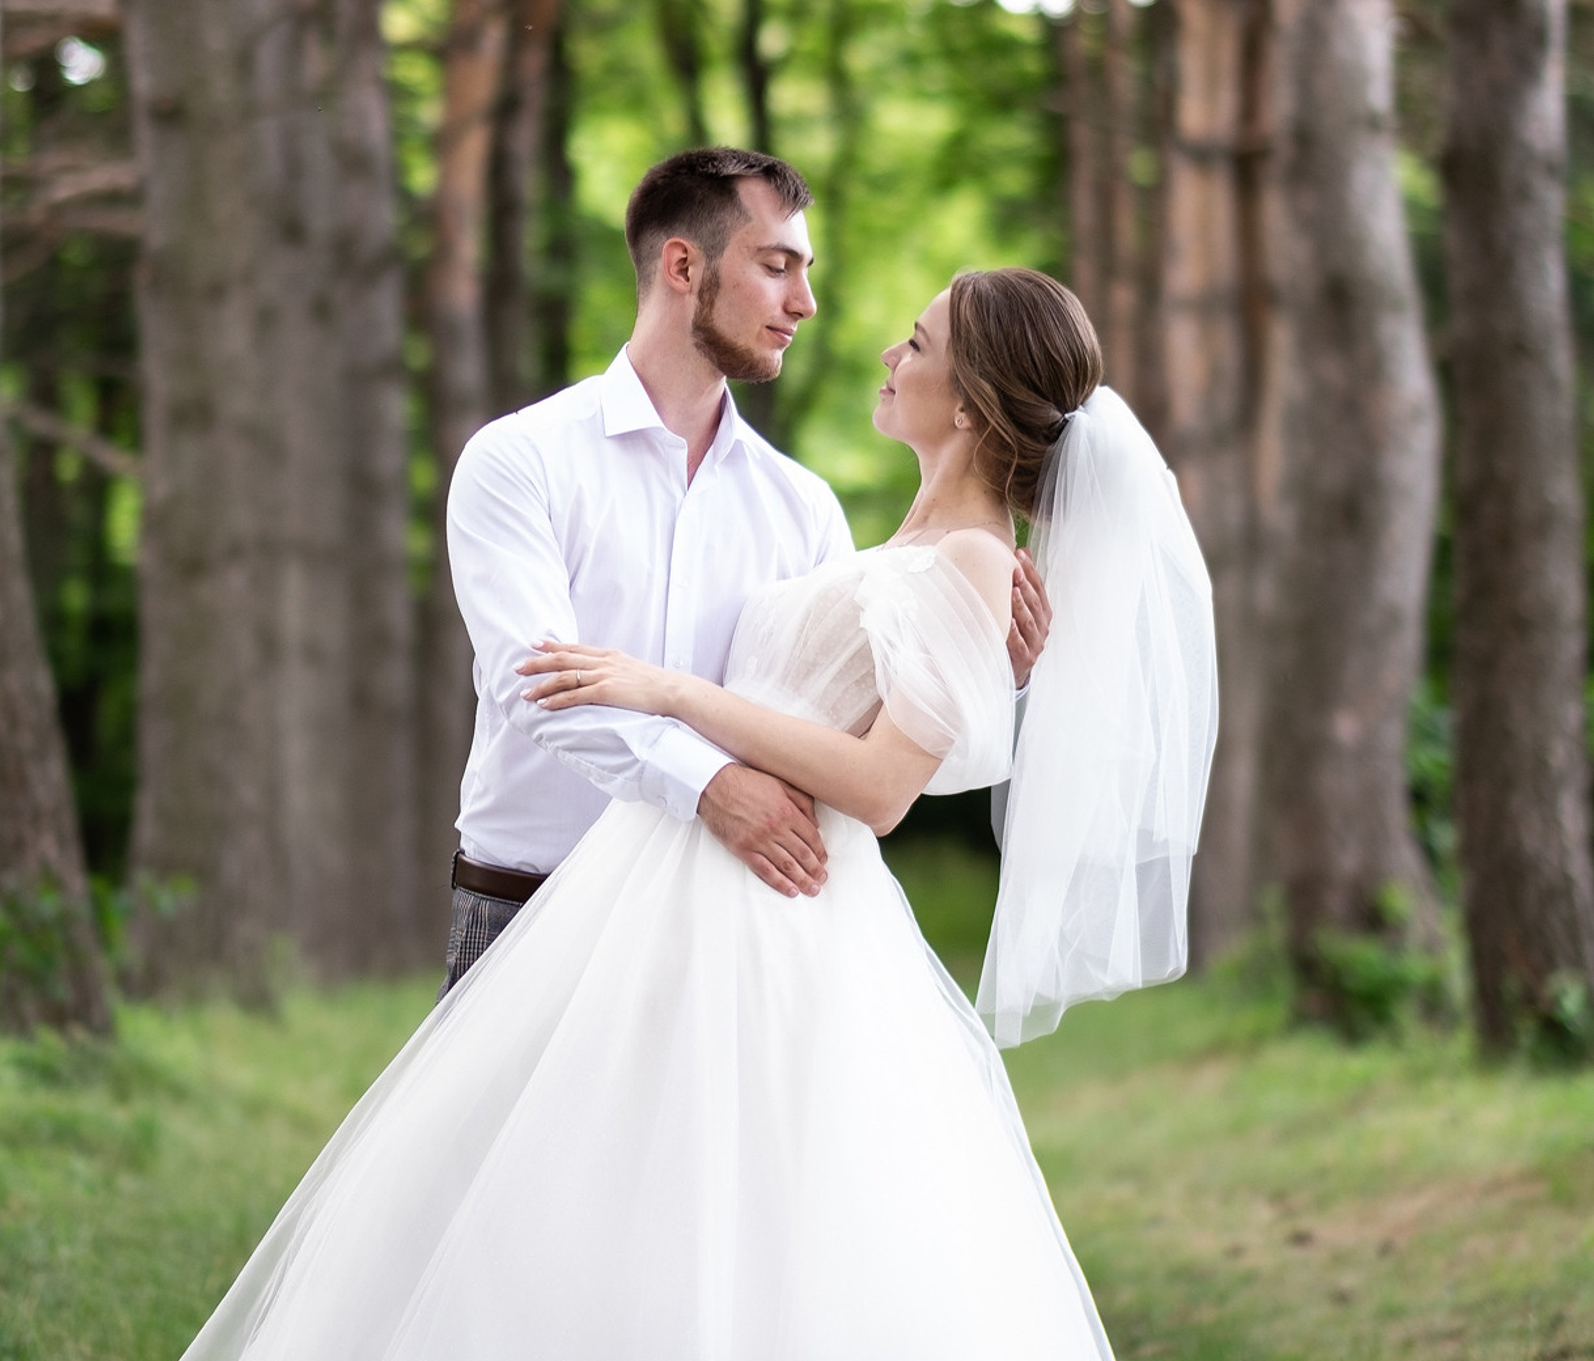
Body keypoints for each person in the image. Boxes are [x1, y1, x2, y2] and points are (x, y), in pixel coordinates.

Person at [178, 258, 1219, 1361]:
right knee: (560, 1195)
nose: (884, 351)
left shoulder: (969, 557)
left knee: (721, 1210)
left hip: (771, 907)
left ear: (966, 402)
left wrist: (672, 691)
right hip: (662, 877)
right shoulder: (901, 546)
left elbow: (877, 788)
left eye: (915, 344)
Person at [436, 147, 1050, 994]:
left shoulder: (802, 507)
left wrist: (985, 673)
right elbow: (538, 685)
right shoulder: (521, 461)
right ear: (684, 265)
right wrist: (709, 785)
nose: (807, 302)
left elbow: (849, 748)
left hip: (718, 930)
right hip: (526, 907)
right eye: (777, 266)